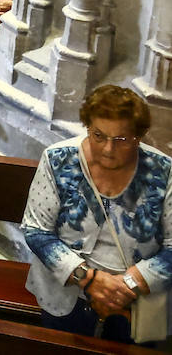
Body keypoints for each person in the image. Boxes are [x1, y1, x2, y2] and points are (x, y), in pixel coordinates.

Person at [22, 85, 172, 345]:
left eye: (121, 139)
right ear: (87, 127)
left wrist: (128, 285)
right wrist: (88, 279)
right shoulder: (58, 160)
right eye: (98, 135)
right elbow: (36, 230)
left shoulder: (163, 171)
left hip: (136, 305)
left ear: (139, 135)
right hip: (65, 297)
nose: (108, 149)